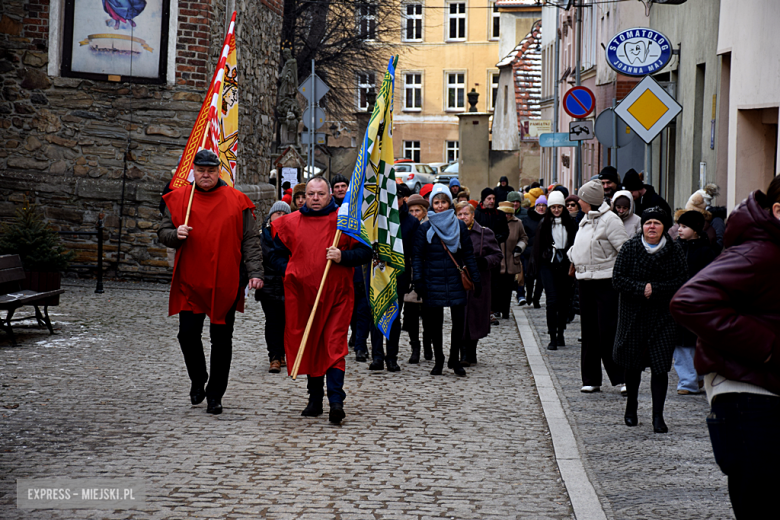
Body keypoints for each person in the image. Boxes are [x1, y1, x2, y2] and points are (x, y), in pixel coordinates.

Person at [670, 176, 780, 518]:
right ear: (778, 211)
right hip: (751, 399)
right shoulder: (761, 252)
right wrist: (769, 348)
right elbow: (689, 301)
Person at [158, 149, 264, 415]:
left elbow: (250, 240)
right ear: (194, 171)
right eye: (201, 171)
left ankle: (216, 393)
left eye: (211, 171)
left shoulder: (238, 201)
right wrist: (176, 233)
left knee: (222, 338)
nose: (206, 175)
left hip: (225, 281)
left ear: (219, 171)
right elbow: (163, 232)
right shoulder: (180, 199)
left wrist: (255, 272)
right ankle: (198, 377)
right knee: (187, 335)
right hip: (190, 280)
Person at [268, 176, 372, 424]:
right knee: (311, 344)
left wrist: (342, 256)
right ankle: (314, 399)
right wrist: (292, 271)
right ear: (304, 196)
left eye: (320, 194)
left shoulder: (344, 222)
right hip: (304, 297)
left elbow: (366, 251)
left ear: (329, 196)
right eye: (311, 194)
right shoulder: (291, 222)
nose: (315, 198)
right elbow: (274, 256)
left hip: (337, 295)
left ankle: (336, 401)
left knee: (334, 346)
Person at [612, 207, 687, 433]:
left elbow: (682, 281)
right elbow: (618, 279)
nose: (651, 227)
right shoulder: (630, 248)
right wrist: (640, 288)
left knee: (660, 366)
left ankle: (657, 415)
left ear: (664, 227)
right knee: (632, 364)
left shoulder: (675, 250)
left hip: (662, 315)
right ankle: (631, 407)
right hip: (633, 314)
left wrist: (654, 289)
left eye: (656, 223)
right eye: (647, 223)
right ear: (642, 226)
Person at [567, 179, 629, 394]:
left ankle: (621, 378)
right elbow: (580, 245)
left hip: (606, 282)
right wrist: (573, 255)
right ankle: (591, 378)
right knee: (589, 332)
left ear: (590, 201)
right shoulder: (584, 220)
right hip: (585, 281)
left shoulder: (610, 220)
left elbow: (624, 250)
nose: (578, 202)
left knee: (608, 331)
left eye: (581, 198)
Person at [413, 184, 481, 376]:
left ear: (449, 203)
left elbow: (468, 254)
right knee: (435, 324)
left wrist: (476, 279)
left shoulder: (459, 226)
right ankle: (439, 359)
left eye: (443, 202)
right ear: (431, 204)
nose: (440, 206)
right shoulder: (424, 228)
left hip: (455, 279)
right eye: (436, 202)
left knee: (458, 322)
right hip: (432, 279)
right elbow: (417, 256)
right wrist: (418, 279)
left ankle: (454, 358)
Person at [368, 185, 420, 372]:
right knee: (376, 315)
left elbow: (415, 253)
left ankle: (392, 357)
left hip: (399, 275)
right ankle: (377, 356)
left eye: (396, 197)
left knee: (394, 317)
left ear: (403, 199)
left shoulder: (411, 222)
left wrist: (414, 278)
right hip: (378, 273)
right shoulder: (377, 219)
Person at [671, 210, 717, 395]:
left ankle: (698, 378)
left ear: (696, 229)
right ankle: (687, 382)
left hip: (699, 303)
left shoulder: (707, 251)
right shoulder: (675, 248)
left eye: (684, 227)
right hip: (678, 301)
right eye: (679, 226)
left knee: (697, 342)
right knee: (681, 344)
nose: (679, 230)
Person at [456, 201, 502, 366]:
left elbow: (497, 255)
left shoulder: (485, 233)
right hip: (458, 281)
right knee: (460, 317)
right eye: (459, 214)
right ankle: (463, 355)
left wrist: (484, 262)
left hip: (478, 282)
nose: (463, 217)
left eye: (466, 214)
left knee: (474, 317)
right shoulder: (452, 233)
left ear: (473, 215)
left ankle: (470, 353)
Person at [533, 191, 577, 350]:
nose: (556, 210)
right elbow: (537, 248)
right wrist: (536, 268)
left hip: (565, 264)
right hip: (548, 265)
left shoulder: (570, 223)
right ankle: (552, 336)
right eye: (553, 207)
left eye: (559, 207)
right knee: (552, 300)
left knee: (564, 300)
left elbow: (574, 242)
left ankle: (560, 333)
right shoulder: (544, 224)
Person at [256, 201, 291, 373]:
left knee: (286, 321)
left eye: (284, 214)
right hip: (268, 285)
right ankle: (274, 357)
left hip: (287, 283)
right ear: (271, 216)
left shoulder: (293, 233)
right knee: (272, 322)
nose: (281, 217)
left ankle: (283, 353)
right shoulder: (262, 235)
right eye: (277, 213)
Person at [404, 194, 433, 362]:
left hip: (427, 273)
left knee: (429, 315)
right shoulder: (407, 226)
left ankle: (428, 343)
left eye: (418, 210)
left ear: (424, 211)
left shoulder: (429, 226)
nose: (414, 213)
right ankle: (415, 346)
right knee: (411, 314)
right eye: (412, 210)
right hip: (411, 274)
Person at [496, 201, 528, 319]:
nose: (506, 216)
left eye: (508, 213)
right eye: (504, 213)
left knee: (508, 288)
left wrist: (519, 247)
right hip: (498, 261)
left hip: (511, 259)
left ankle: (505, 311)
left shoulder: (517, 223)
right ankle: (496, 310)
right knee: (497, 287)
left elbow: (524, 237)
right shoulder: (496, 222)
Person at [520, 195, 547, 308]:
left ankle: (537, 298)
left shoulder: (548, 219)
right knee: (529, 276)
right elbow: (524, 235)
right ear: (535, 206)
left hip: (543, 252)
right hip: (529, 253)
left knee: (541, 277)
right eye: (539, 205)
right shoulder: (527, 219)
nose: (541, 208)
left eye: (543, 205)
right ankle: (529, 295)